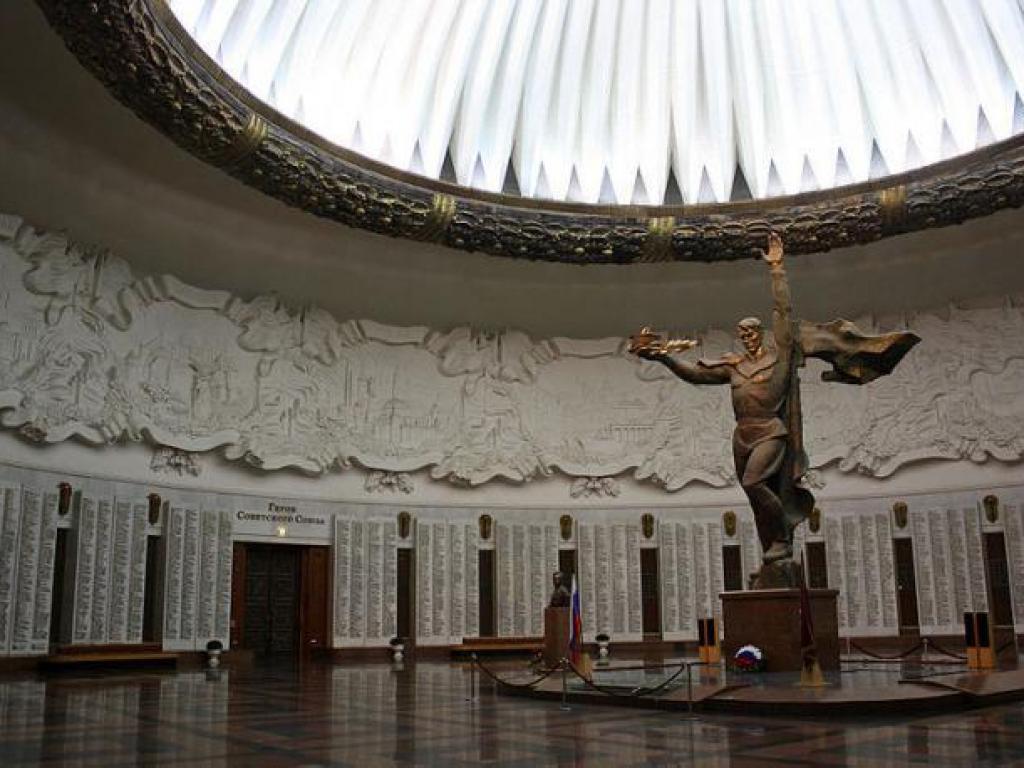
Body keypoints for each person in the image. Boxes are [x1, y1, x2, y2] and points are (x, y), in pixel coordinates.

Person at [634, 233, 811, 564]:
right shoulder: (735, 366)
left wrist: (777, 270)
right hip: (742, 436)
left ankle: (782, 535)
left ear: (762, 333)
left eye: (751, 331)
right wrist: (664, 358)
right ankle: (773, 549)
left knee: (755, 482)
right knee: (753, 494)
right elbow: (695, 375)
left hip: (770, 431)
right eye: (742, 333)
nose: (746, 337)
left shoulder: (779, 358)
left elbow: (783, 312)